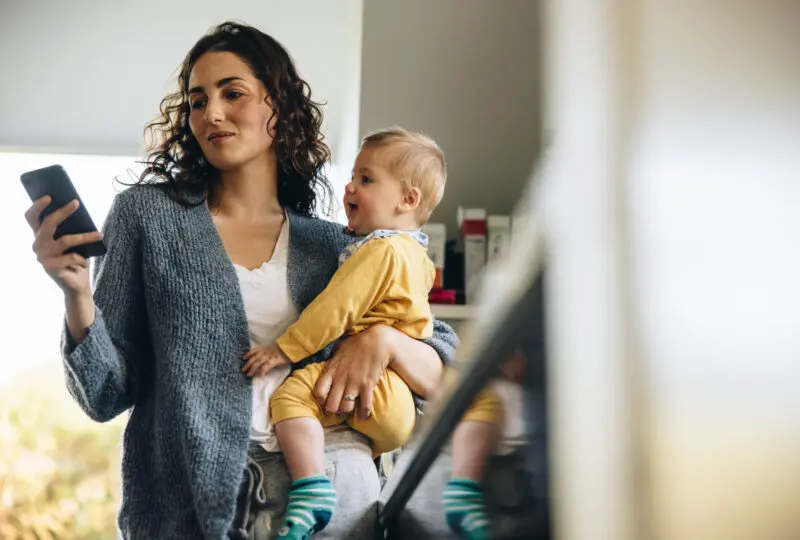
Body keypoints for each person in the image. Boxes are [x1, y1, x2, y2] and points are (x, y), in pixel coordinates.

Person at [23, 21, 457, 539]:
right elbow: (105, 394)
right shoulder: (148, 218)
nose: (213, 113)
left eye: (234, 93)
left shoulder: (337, 244)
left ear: (280, 107)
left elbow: (441, 376)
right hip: (187, 508)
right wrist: (76, 296)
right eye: (197, 101)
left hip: (335, 499)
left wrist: (383, 340)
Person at [240, 127, 465, 538]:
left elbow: (335, 309)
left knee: (290, 398)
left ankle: (311, 488)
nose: (350, 186)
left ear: (407, 199)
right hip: (393, 403)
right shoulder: (415, 255)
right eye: (353, 176)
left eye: (366, 179)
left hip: (375, 387)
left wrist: (284, 350)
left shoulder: (380, 251)